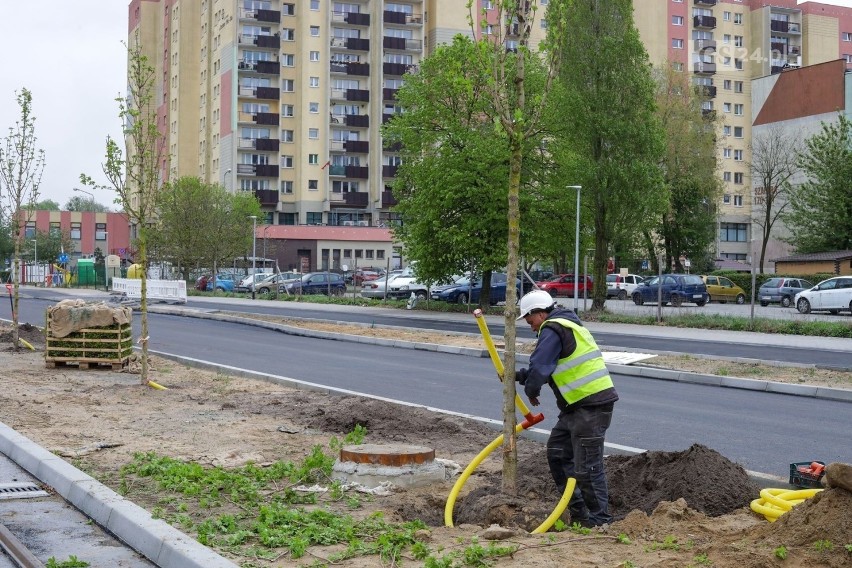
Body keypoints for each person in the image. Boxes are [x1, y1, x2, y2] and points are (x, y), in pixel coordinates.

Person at [515, 289, 618, 527]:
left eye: (530, 321)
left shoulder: (552, 328)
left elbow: (540, 366)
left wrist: (532, 390)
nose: (531, 327)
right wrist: (518, 376)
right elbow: (552, 368)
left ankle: (600, 522)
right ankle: (579, 514)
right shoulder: (565, 325)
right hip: (576, 408)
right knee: (558, 454)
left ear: (539, 314)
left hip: (591, 406)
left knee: (588, 467)